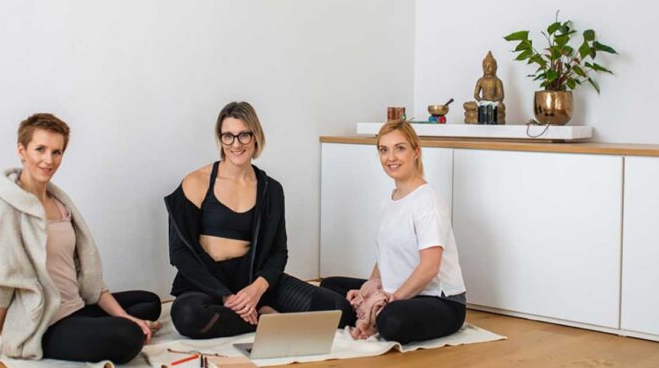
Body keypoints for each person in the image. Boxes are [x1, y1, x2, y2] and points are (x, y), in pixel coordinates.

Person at [0, 113, 161, 365]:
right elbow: (1, 282)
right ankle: (105, 331)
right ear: (21, 151)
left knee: (149, 302)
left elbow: (84, 271)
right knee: (128, 337)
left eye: (57, 152)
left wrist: (124, 316)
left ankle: (107, 326)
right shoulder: (8, 210)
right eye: (40, 149)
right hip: (47, 323)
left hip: (77, 305)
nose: (48, 160)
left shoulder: (60, 203)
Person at [165, 101, 354, 338]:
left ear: (256, 137)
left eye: (244, 135)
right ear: (220, 139)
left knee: (339, 311)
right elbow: (179, 252)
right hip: (207, 283)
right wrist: (226, 296)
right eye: (228, 136)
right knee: (188, 316)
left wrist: (257, 290)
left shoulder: (271, 189)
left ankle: (257, 311)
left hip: (253, 281)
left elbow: (278, 252)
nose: (236, 144)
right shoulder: (196, 182)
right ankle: (263, 318)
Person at [320, 119, 467, 344]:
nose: (391, 158)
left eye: (399, 148)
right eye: (384, 150)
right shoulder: (391, 198)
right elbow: (386, 254)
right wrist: (369, 289)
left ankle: (374, 314)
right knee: (329, 286)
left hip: (440, 301)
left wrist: (390, 299)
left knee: (391, 321)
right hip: (399, 290)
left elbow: (430, 267)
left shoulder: (427, 201)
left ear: (415, 151)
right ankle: (368, 311)